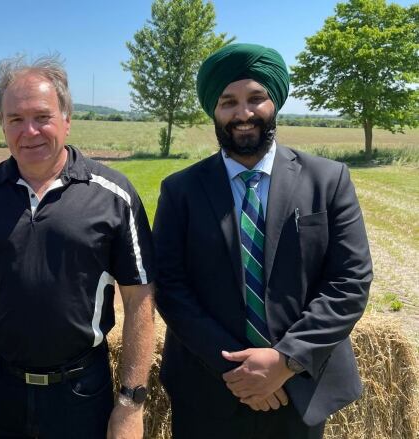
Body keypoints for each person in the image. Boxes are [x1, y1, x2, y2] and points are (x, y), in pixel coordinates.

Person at [152, 43, 373, 438]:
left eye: (256, 98)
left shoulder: (328, 180)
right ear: (214, 111)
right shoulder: (180, 191)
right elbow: (171, 287)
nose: (243, 113)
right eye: (228, 102)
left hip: (300, 387)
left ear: (275, 103)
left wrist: (283, 361)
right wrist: (238, 371)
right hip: (209, 388)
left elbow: (349, 281)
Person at [0, 55, 155, 439]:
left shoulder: (114, 196)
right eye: (15, 119)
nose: (30, 131)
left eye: (42, 117)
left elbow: (140, 300)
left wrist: (131, 405)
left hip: (82, 392)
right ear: (1, 125)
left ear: (67, 119)